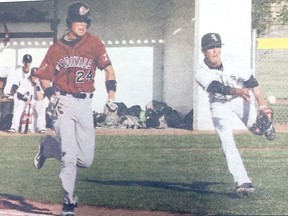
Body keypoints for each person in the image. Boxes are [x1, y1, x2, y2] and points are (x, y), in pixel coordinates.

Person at [33, 1, 117, 216]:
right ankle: (68, 203)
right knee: (69, 155)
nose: (83, 25)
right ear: (70, 22)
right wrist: (52, 97)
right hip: (64, 103)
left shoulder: (94, 43)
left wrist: (111, 97)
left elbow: (108, 70)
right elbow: (43, 78)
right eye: (79, 21)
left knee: (85, 160)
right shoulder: (56, 49)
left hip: (85, 104)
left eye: (86, 21)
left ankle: (49, 148)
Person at [195, 32, 275, 197]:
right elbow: (216, 88)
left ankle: (265, 125)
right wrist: (237, 90)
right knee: (227, 141)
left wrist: (263, 106)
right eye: (210, 48)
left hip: (241, 98)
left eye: (217, 46)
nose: (215, 51)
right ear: (203, 51)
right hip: (219, 105)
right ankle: (243, 181)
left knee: (257, 129)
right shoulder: (200, 71)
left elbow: (253, 82)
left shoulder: (233, 61)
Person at [7, 68, 47, 133]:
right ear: (31, 75)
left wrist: (37, 85)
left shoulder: (41, 83)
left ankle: (41, 128)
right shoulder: (26, 81)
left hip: (35, 102)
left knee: (42, 104)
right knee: (19, 103)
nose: (34, 77)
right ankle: (14, 127)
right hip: (26, 101)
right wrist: (26, 99)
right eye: (33, 75)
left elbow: (40, 98)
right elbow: (19, 95)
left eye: (36, 75)